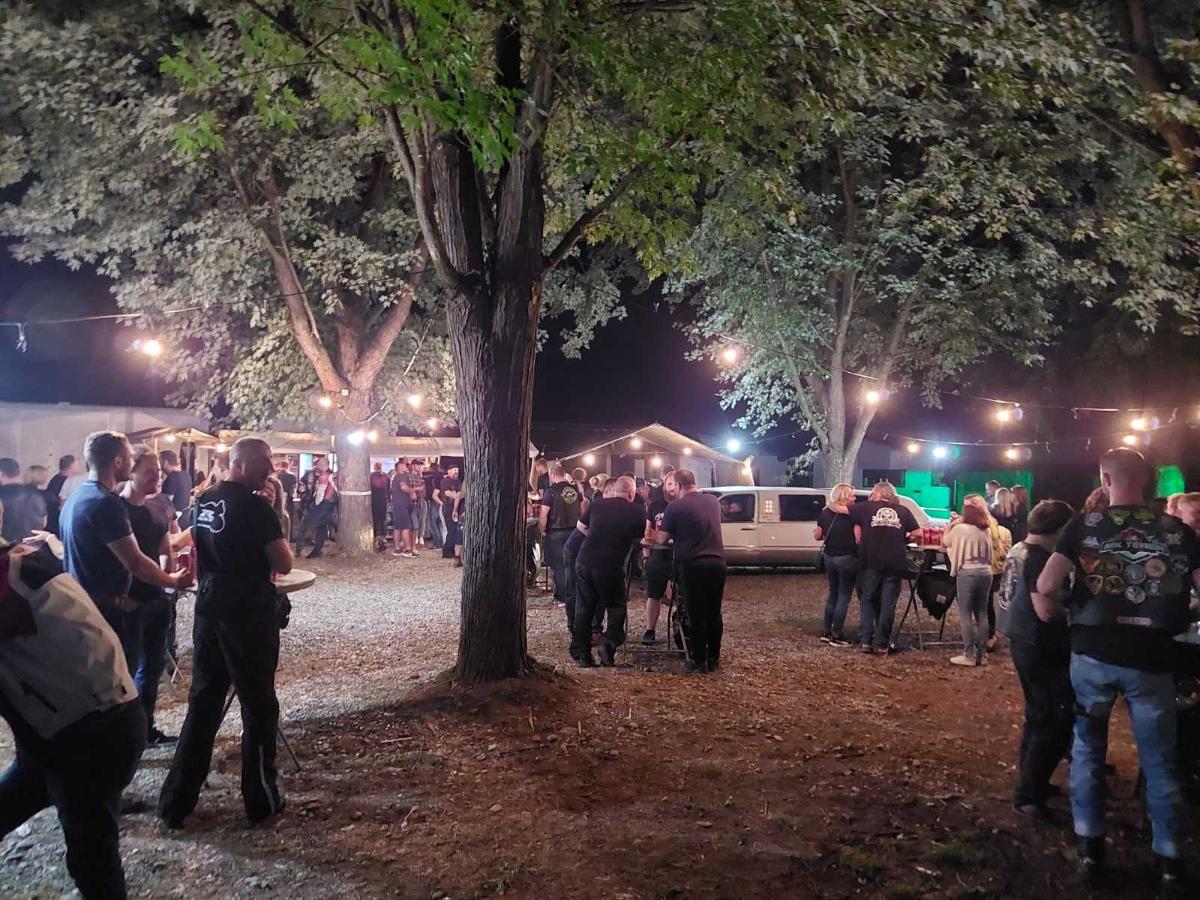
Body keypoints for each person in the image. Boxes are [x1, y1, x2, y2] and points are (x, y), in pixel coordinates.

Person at [1036, 448, 1198, 890]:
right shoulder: (1177, 530)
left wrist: (1070, 606)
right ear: (1147, 479)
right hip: (1153, 658)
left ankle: (1090, 849)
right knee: (1160, 759)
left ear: (1105, 479)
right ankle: (1169, 860)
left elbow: (1046, 585)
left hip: (1093, 653)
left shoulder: (1083, 526)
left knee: (1088, 750)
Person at [0, 527, 145, 899]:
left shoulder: (7, 580)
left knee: (92, 856)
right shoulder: (21, 562)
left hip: (88, 733)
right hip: (73, 725)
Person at [159, 437, 293, 829]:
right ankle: (261, 798)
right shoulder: (255, 507)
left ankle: (175, 801)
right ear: (241, 463)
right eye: (265, 461)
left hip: (210, 607)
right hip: (247, 613)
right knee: (258, 704)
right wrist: (273, 515)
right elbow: (282, 561)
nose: (271, 469)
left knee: (203, 702)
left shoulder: (203, 500)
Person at [59, 432, 193, 661]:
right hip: (106, 611)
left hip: (83, 605)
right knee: (120, 675)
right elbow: (135, 562)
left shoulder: (77, 497)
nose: (133, 464)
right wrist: (172, 581)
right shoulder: (107, 504)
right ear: (118, 462)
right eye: (130, 458)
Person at [999, 499, 1075, 822]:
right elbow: (1044, 609)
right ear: (1060, 530)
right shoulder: (1041, 559)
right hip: (1041, 643)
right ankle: (1029, 795)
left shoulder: (1019, 548)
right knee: (1053, 718)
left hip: (1020, 638)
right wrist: (1074, 614)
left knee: (1037, 713)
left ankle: (1033, 779)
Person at [118, 445, 179, 746]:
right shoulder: (116, 509)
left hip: (157, 599)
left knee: (152, 669)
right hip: (130, 604)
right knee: (126, 673)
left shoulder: (161, 505)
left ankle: (145, 730)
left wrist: (167, 579)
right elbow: (123, 559)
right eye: (150, 473)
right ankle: (123, 738)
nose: (157, 478)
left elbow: (164, 544)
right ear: (131, 472)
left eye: (159, 473)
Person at [656, 469, 726, 673]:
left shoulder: (675, 507)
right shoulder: (713, 501)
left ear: (678, 486)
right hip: (717, 562)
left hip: (692, 564)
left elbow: (662, 539)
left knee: (695, 613)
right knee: (714, 612)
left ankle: (698, 660)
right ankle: (714, 658)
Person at [571, 475, 645, 667]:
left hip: (584, 560)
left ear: (615, 490)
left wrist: (597, 536)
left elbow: (581, 526)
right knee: (616, 607)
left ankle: (582, 654)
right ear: (631, 493)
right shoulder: (637, 511)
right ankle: (609, 643)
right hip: (610, 565)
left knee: (584, 609)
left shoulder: (597, 504)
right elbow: (639, 539)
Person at [850, 482, 922, 656]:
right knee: (888, 604)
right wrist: (905, 538)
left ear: (877, 493)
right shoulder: (903, 511)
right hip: (895, 562)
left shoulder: (866, 507)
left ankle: (866, 641)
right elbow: (918, 533)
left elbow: (843, 510)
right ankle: (883, 644)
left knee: (867, 599)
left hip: (870, 561)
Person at [942, 503, 996, 667]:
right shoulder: (985, 530)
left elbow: (945, 542)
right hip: (986, 572)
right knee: (982, 613)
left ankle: (969, 655)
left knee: (965, 614)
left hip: (967, 572)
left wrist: (950, 525)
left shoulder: (960, 529)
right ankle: (982, 655)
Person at [963, 493, 1013, 651]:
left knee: (984, 605)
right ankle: (986, 636)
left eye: (968, 506)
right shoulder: (986, 521)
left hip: (989, 567)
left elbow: (991, 546)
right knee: (984, 604)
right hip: (991, 567)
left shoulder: (984, 523)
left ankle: (989, 636)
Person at [815, 483, 858, 647]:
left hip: (829, 556)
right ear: (845, 496)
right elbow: (858, 538)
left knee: (833, 593)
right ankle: (837, 634)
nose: (855, 498)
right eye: (852, 495)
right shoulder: (853, 514)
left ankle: (827, 631)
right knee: (844, 595)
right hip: (847, 556)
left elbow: (818, 535)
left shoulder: (825, 512)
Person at [641, 470, 678, 644]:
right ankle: (650, 630)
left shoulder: (684, 504)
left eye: (676, 484)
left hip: (680, 555)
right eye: (669, 484)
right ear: (664, 485)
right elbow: (648, 531)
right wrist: (646, 556)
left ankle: (682, 629)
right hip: (658, 555)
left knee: (681, 596)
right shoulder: (655, 505)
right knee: (653, 594)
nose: (672, 487)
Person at [540, 463, 582, 607]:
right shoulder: (575, 489)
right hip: (574, 531)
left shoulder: (551, 491)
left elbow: (543, 514)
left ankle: (562, 596)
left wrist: (541, 530)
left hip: (556, 532)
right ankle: (574, 594)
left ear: (552, 474)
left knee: (558, 565)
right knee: (572, 563)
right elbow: (582, 509)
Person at [293, 469, 338, 558]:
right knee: (319, 527)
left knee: (308, 526)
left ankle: (309, 551)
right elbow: (301, 489)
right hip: (315, 505)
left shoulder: (327, 476)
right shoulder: (328, 476)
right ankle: (311, 551)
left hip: (318, 505)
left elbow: (323, 494)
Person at [0, 457, 46, 544]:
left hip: (7, 546)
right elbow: (44, 521)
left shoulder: (1, 494)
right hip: (33, 544)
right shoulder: (36, 493)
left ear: (1, 474)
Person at [45, 454, 77, 535]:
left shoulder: (57, 478)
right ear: (71, 466)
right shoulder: (61, 481)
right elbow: (57, 501)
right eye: (76, 464)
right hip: (57, 523)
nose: (78, 466)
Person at [390, 459, 416, 558]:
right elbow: (403, 487)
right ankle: (408, 549)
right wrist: (412, 491)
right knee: (405, 527)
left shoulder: (395, 477)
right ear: (400, 467)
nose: (406, 467)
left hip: (396, 505)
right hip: (401, 505)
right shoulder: (401, 476)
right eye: (404, 465)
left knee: (397, 527)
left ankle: (397, 548)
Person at [160, 450, 193, 520]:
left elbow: (166, 503)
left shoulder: (172, 477)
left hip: (175, 519)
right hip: (185, 518)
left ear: (165, 463)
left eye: (160, 462)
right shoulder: (187, 475)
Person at [439, 466, 461, 560]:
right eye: (454, 470)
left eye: (457, 470)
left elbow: (458, 494)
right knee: (451, 529)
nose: (456, 472)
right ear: (449, 471)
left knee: (455, 530)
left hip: (455, 508)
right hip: (448, 508)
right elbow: (447, 493)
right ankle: (447, 551)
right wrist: (457, 495)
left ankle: (450, 550)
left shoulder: (458, 481)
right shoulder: (445, 481)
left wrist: (457, 495)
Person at [423, 460, 445, 549]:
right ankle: (441, 542)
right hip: (441, 500)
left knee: (433, 522)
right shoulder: (442, 477)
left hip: (434, 500)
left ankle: (437, 543)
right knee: (439, 522)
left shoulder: (431, 476)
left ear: (431, 468)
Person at [369, 462, 391, 550]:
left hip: (374, 500)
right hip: (383, 500)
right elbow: (388, 488)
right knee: (383, 520)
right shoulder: (385, 476)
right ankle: (382, 537)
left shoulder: (371, 476)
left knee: (375, 520)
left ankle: (376, 537)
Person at [409, 460, 429, 550]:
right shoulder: (408, 476)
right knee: (414, 522)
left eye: (420, 465)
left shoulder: (420, 476)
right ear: (413, 466)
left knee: (421, 520)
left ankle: (420, 537)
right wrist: (418, 489)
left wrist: (421, 491)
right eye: (418, 465)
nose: (419, 467)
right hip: (413, 502)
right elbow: (409, 488)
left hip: (421, 501)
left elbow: (423, 488)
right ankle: (414, 539)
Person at [274, 460, 297, 537]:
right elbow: (294, 488)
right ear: (288, 466)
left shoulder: (276, 476)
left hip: (277, 500)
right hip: (289, 500)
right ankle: (289, 536)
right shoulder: (292, 476)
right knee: (289, 518)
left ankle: (277, 535)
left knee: (278, 518)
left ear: (280, 466)